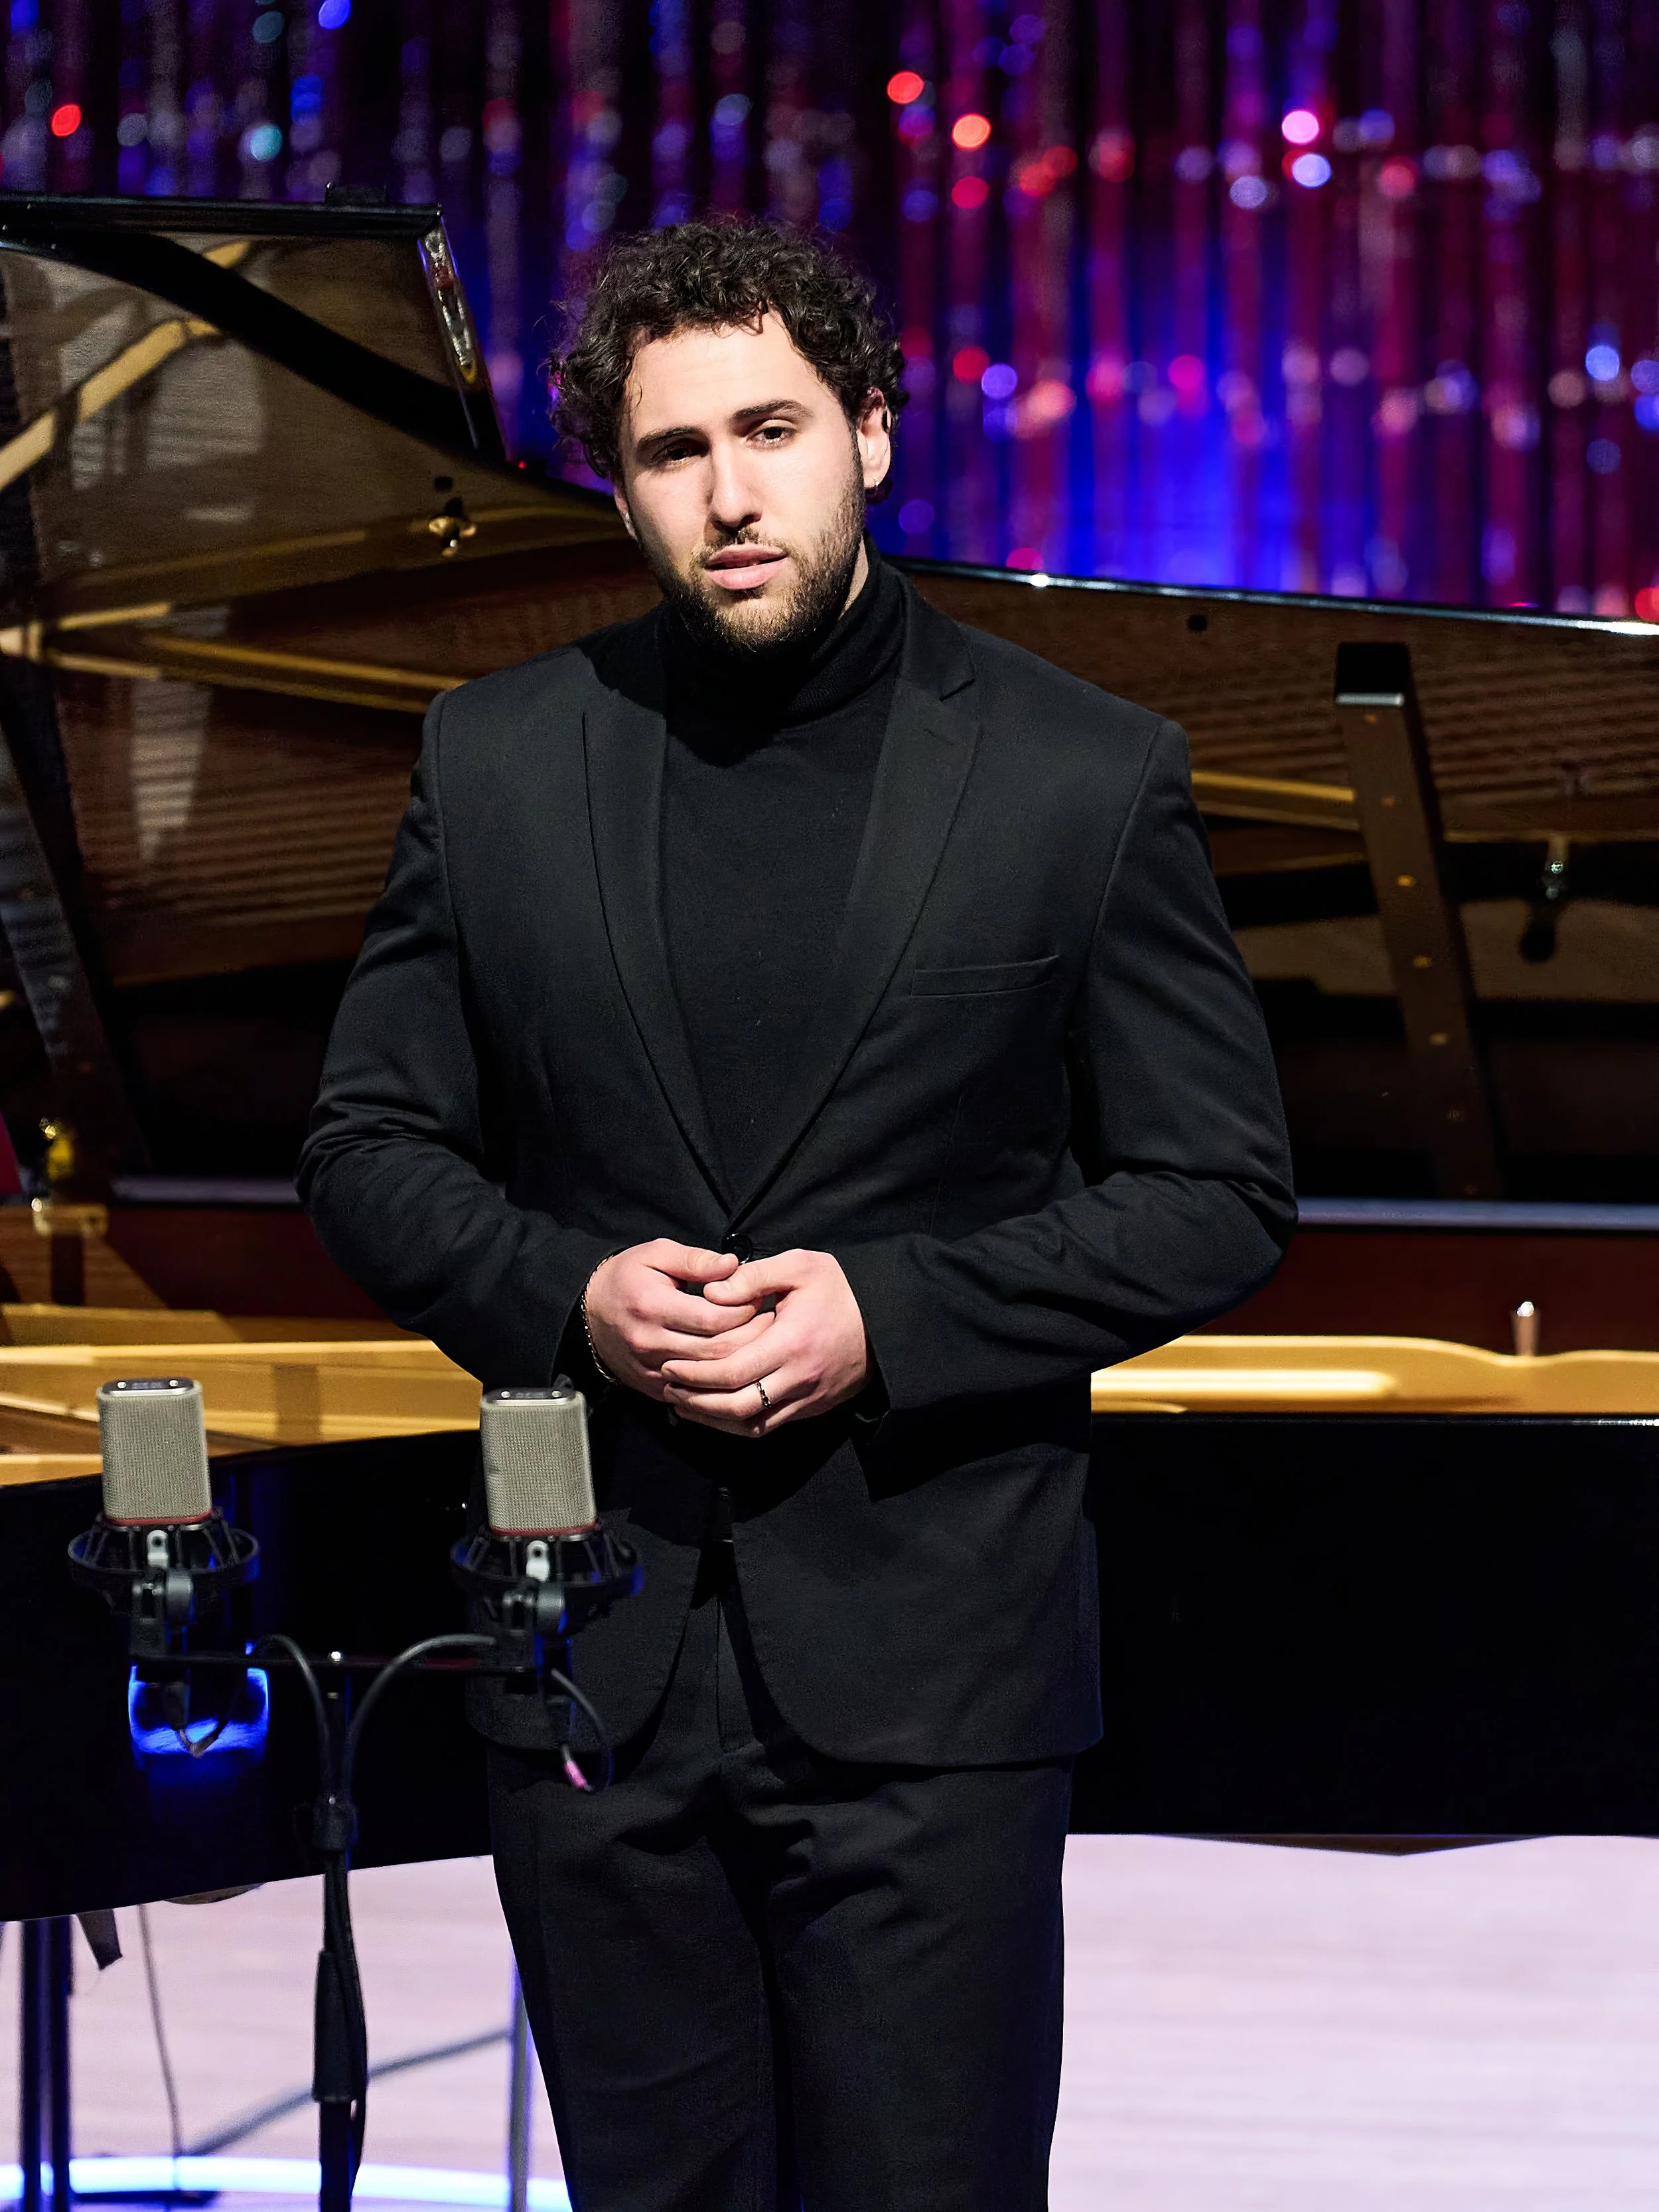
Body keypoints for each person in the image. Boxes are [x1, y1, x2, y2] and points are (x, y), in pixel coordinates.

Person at [299, 218, 1294, 2212]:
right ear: (621, 480)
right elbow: (366, 1147)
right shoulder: (497, 763)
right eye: (674, 451)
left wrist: (890, 1317)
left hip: (936, 1690)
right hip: (591, 1653)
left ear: (873, 434)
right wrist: (567, 1289)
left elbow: (1216, 1190)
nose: (730, 492)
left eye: (772, 430)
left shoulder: (1077, 779)